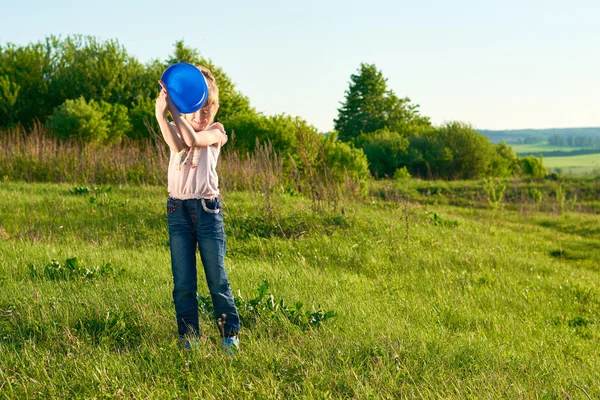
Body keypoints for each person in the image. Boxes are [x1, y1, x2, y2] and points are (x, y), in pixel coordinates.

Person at [155, 65, 240, 355]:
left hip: (206, 211)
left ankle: (229, 337)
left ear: (214, 109)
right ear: (188, 105)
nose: (202, 115)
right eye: (197, 108)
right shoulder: (180, 129)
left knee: (217, 279)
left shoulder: (217, 132)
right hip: (177, 210)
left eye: (208, 108)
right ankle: (188, 337)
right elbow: (179, 145)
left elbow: (193, 140)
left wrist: (176, 112)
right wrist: (161, 112)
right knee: (183, 283)